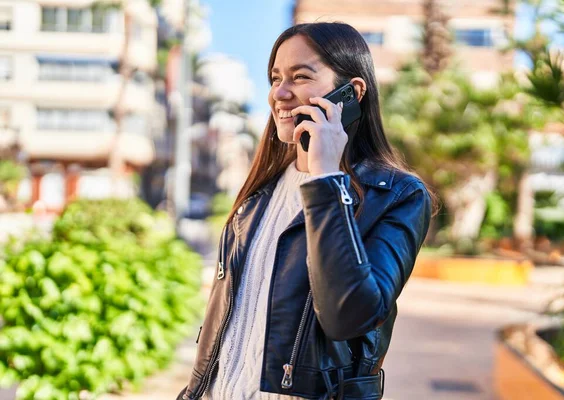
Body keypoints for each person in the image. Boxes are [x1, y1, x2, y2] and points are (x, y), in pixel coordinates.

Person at [178, 22, 434, 400]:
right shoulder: (256, 199)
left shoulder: (397, 196)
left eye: (300, 77)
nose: (279, 93)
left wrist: (327, 179)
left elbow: (347, 317)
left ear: (352, 92)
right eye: (275, 77)